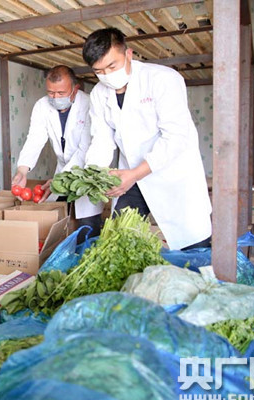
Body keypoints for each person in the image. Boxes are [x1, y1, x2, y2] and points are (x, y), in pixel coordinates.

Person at [82, 27, 211, 250]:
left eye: (112, 66)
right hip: (132, 175)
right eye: (99, 71)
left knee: (192, 243)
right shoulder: (98, 94)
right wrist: (96, 174)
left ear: (128, 54)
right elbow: (101, 139)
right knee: (118, 239)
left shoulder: (163, 79)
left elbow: (176, 136)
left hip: (173, 173)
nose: (106, 75)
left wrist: (135, 174)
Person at [12, 65, 103, 240]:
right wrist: (22, 170)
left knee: (87, 223)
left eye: (61, 93)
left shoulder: (89, 104)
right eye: (51, 93)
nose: (55, 98)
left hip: (86, 170)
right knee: (59, 219)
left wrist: (61, 179)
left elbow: (85, 149)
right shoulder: (42, 106)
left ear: (75, 89)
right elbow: (35, 139)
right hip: (62, 168)